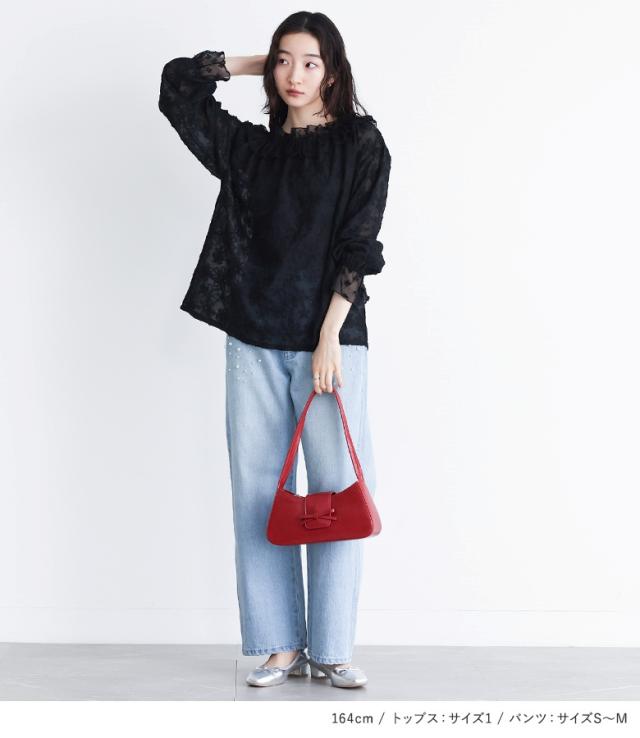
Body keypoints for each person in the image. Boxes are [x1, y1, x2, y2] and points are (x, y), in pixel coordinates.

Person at [158, 11, 391, 689]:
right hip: (253, 337)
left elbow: (361, 243)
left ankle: (333, 648)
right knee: (259, 492)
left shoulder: (361, 143)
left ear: (334, 72)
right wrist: (252, 62)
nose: (295, 74)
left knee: (339, 491)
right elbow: (176, 88)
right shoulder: (247, 149)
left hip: (329, 344)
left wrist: (329, 336)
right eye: (285, 60)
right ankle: (279, 646)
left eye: (311, 62)